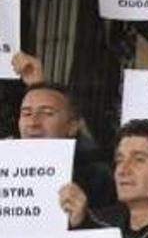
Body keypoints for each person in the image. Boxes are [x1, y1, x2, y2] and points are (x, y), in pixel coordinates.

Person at [12, 75, 115, 208]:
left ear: (72, 126)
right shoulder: (6, 168)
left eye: (46, 113)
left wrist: (84, 219)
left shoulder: (97, 177)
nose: (33, 123)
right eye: (26, 114)